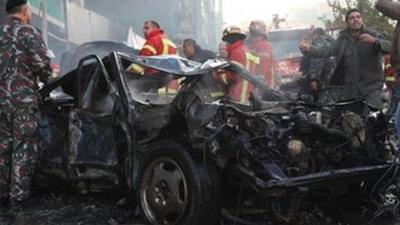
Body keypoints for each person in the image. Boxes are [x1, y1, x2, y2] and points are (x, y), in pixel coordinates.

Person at [0, 0, 52, 207]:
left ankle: (2, 193)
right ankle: (18, 198)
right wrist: (50, 80)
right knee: (23, 148)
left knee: (3, 146)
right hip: (22, 101)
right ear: (24, 10)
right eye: (29, 9)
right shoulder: (29, 32)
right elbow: (42, 65)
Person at [299, 9, 391, 108]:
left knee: (372, 118)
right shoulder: (342, 40)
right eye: (352, 18)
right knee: (350, 120)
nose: (356, 20)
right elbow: (327, 50)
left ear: (362, 19)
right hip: (350, 90)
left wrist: (374, 41)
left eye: (358, 17)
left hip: (371, 88)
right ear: (347, 22)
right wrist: (309, 49)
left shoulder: (373, 35)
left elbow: (390, 47)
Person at [215, 26, 260, 103]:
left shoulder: (236, 52)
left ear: (230, 39)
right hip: (249, 94)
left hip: (240, 95)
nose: (226, 44)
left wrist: (218, 75)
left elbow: (234, 76)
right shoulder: (246, 51)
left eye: (227, 40)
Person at [300, 28, 336, 102]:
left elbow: (317, 60)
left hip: (324, 79)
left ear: (315, 35)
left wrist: (314, 79)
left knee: (323, 104)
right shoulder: (333, 41)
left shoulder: (319, 41)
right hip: (335, 78)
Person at [247, 20, 276, 88]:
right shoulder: (253, 45)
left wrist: (247, 56)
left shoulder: (264, 45)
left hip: (265, 83)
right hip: (258, 82)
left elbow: (263, 62)